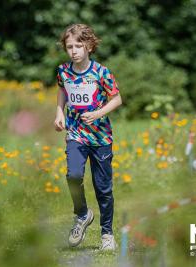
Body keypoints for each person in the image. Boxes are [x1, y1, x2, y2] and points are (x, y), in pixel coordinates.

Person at [54, 23, 123, 251]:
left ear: (89, 46)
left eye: (78, 46)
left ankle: (106, 234)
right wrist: (59, 113)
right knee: (73, 175)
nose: (73, 51)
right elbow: (63, 90)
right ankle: (82, 215)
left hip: (101, 138)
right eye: (69, 47)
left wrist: (97, 114)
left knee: (103, 187)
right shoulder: (63, 71)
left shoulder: (101, 73)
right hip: (76, 134)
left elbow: (116, 99)